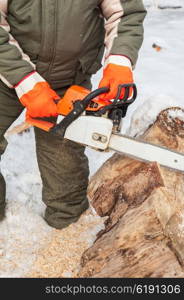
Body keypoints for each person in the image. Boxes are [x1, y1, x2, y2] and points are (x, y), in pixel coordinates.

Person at [0, 0, 147, 229]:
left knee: (64, 163)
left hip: (69, 78)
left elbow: (126, 13)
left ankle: (67, 226)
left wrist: (120, 61)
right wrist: (24, 80)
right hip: (6, 71)